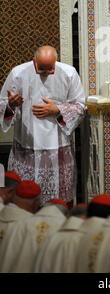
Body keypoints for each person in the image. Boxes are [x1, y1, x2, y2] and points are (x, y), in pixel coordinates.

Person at [0, 45, 85, 204]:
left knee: (58, 199)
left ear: (56, 61)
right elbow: (2, 104)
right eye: (41, 69)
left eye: (50, 69)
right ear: (34, 61)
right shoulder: (18, 73)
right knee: (25, 195)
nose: (46, 73)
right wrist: (12, 105)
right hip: (27, 143)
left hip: (58, 144)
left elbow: (80, 107)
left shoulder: (69, 73)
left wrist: (57, 109)